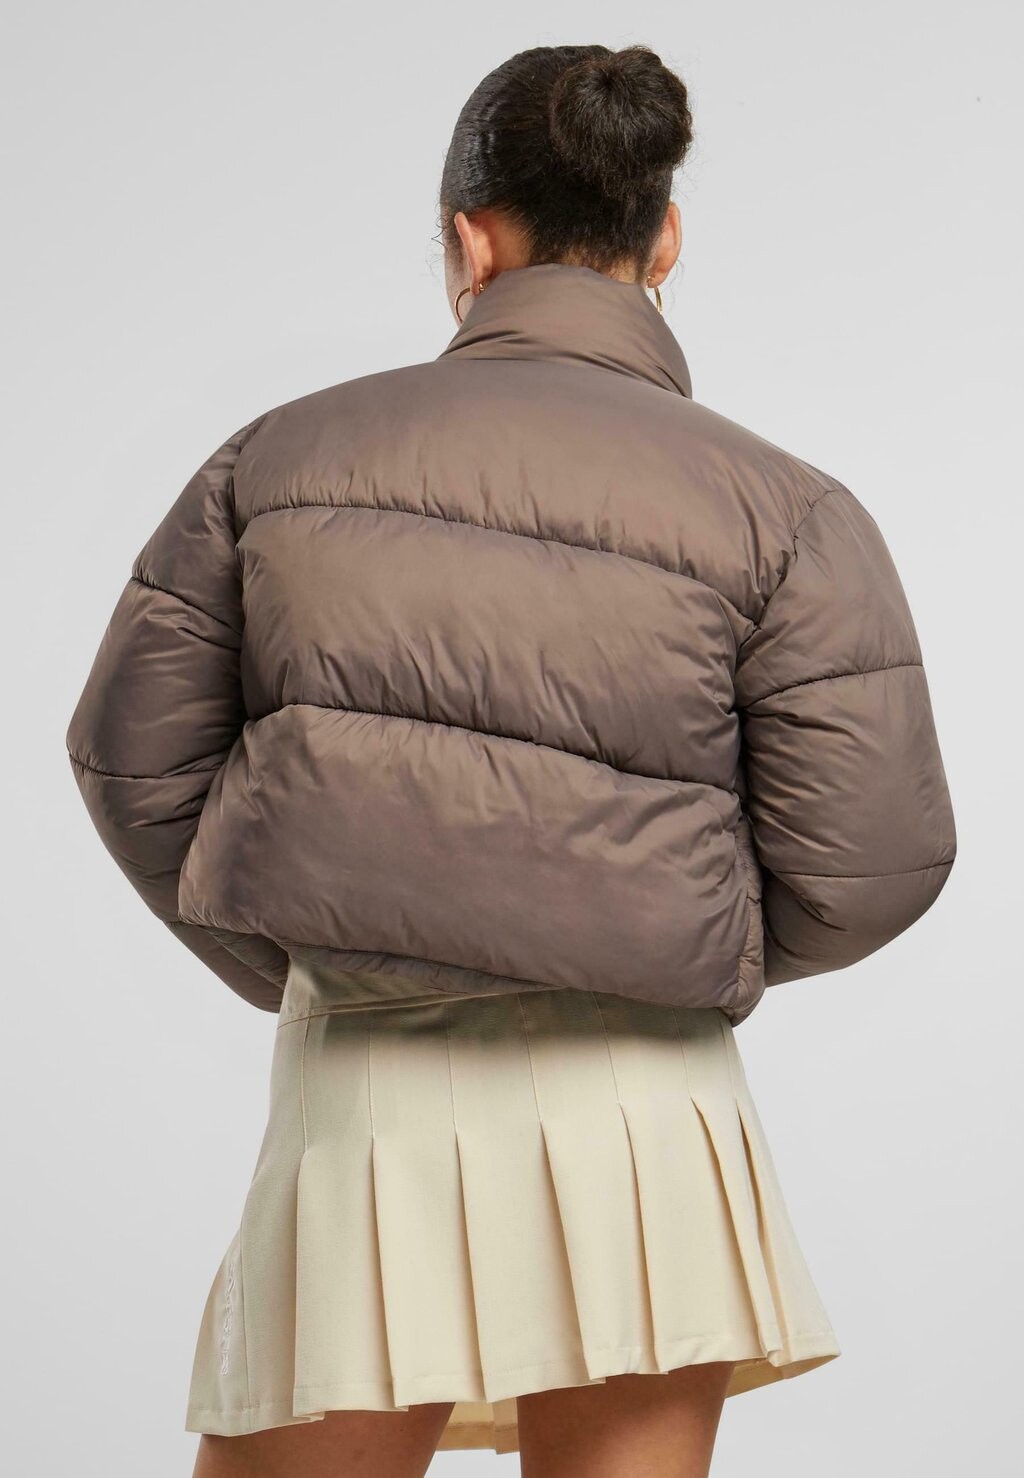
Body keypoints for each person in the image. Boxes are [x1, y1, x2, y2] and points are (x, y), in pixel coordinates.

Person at [65, 41, 957, 1478]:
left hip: (362, 1102)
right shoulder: (789, 511)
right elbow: (873, 859)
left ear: (469, 241)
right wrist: (653, 937)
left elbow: (132, 766)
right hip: (650, 1114)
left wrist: (327, 944)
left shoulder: (275, 461)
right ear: (665, 238)